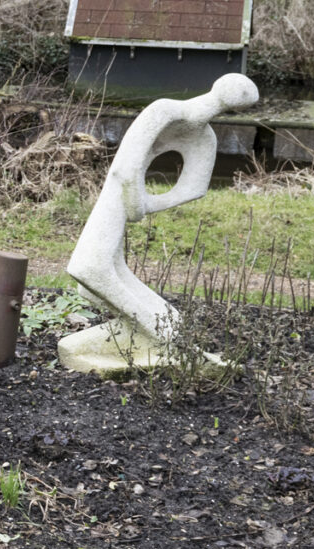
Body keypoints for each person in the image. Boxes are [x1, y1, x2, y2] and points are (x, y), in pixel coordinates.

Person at [60, 72, 259, 367]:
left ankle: (180, 349)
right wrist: (138, 202)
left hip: (119, 197)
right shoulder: (167, 112)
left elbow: (190, 190)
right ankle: (178, 345)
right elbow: (126, 168)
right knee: (91, 273)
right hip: (115, 196)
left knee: (94, 270)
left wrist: (144, 204)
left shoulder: (199, 134)